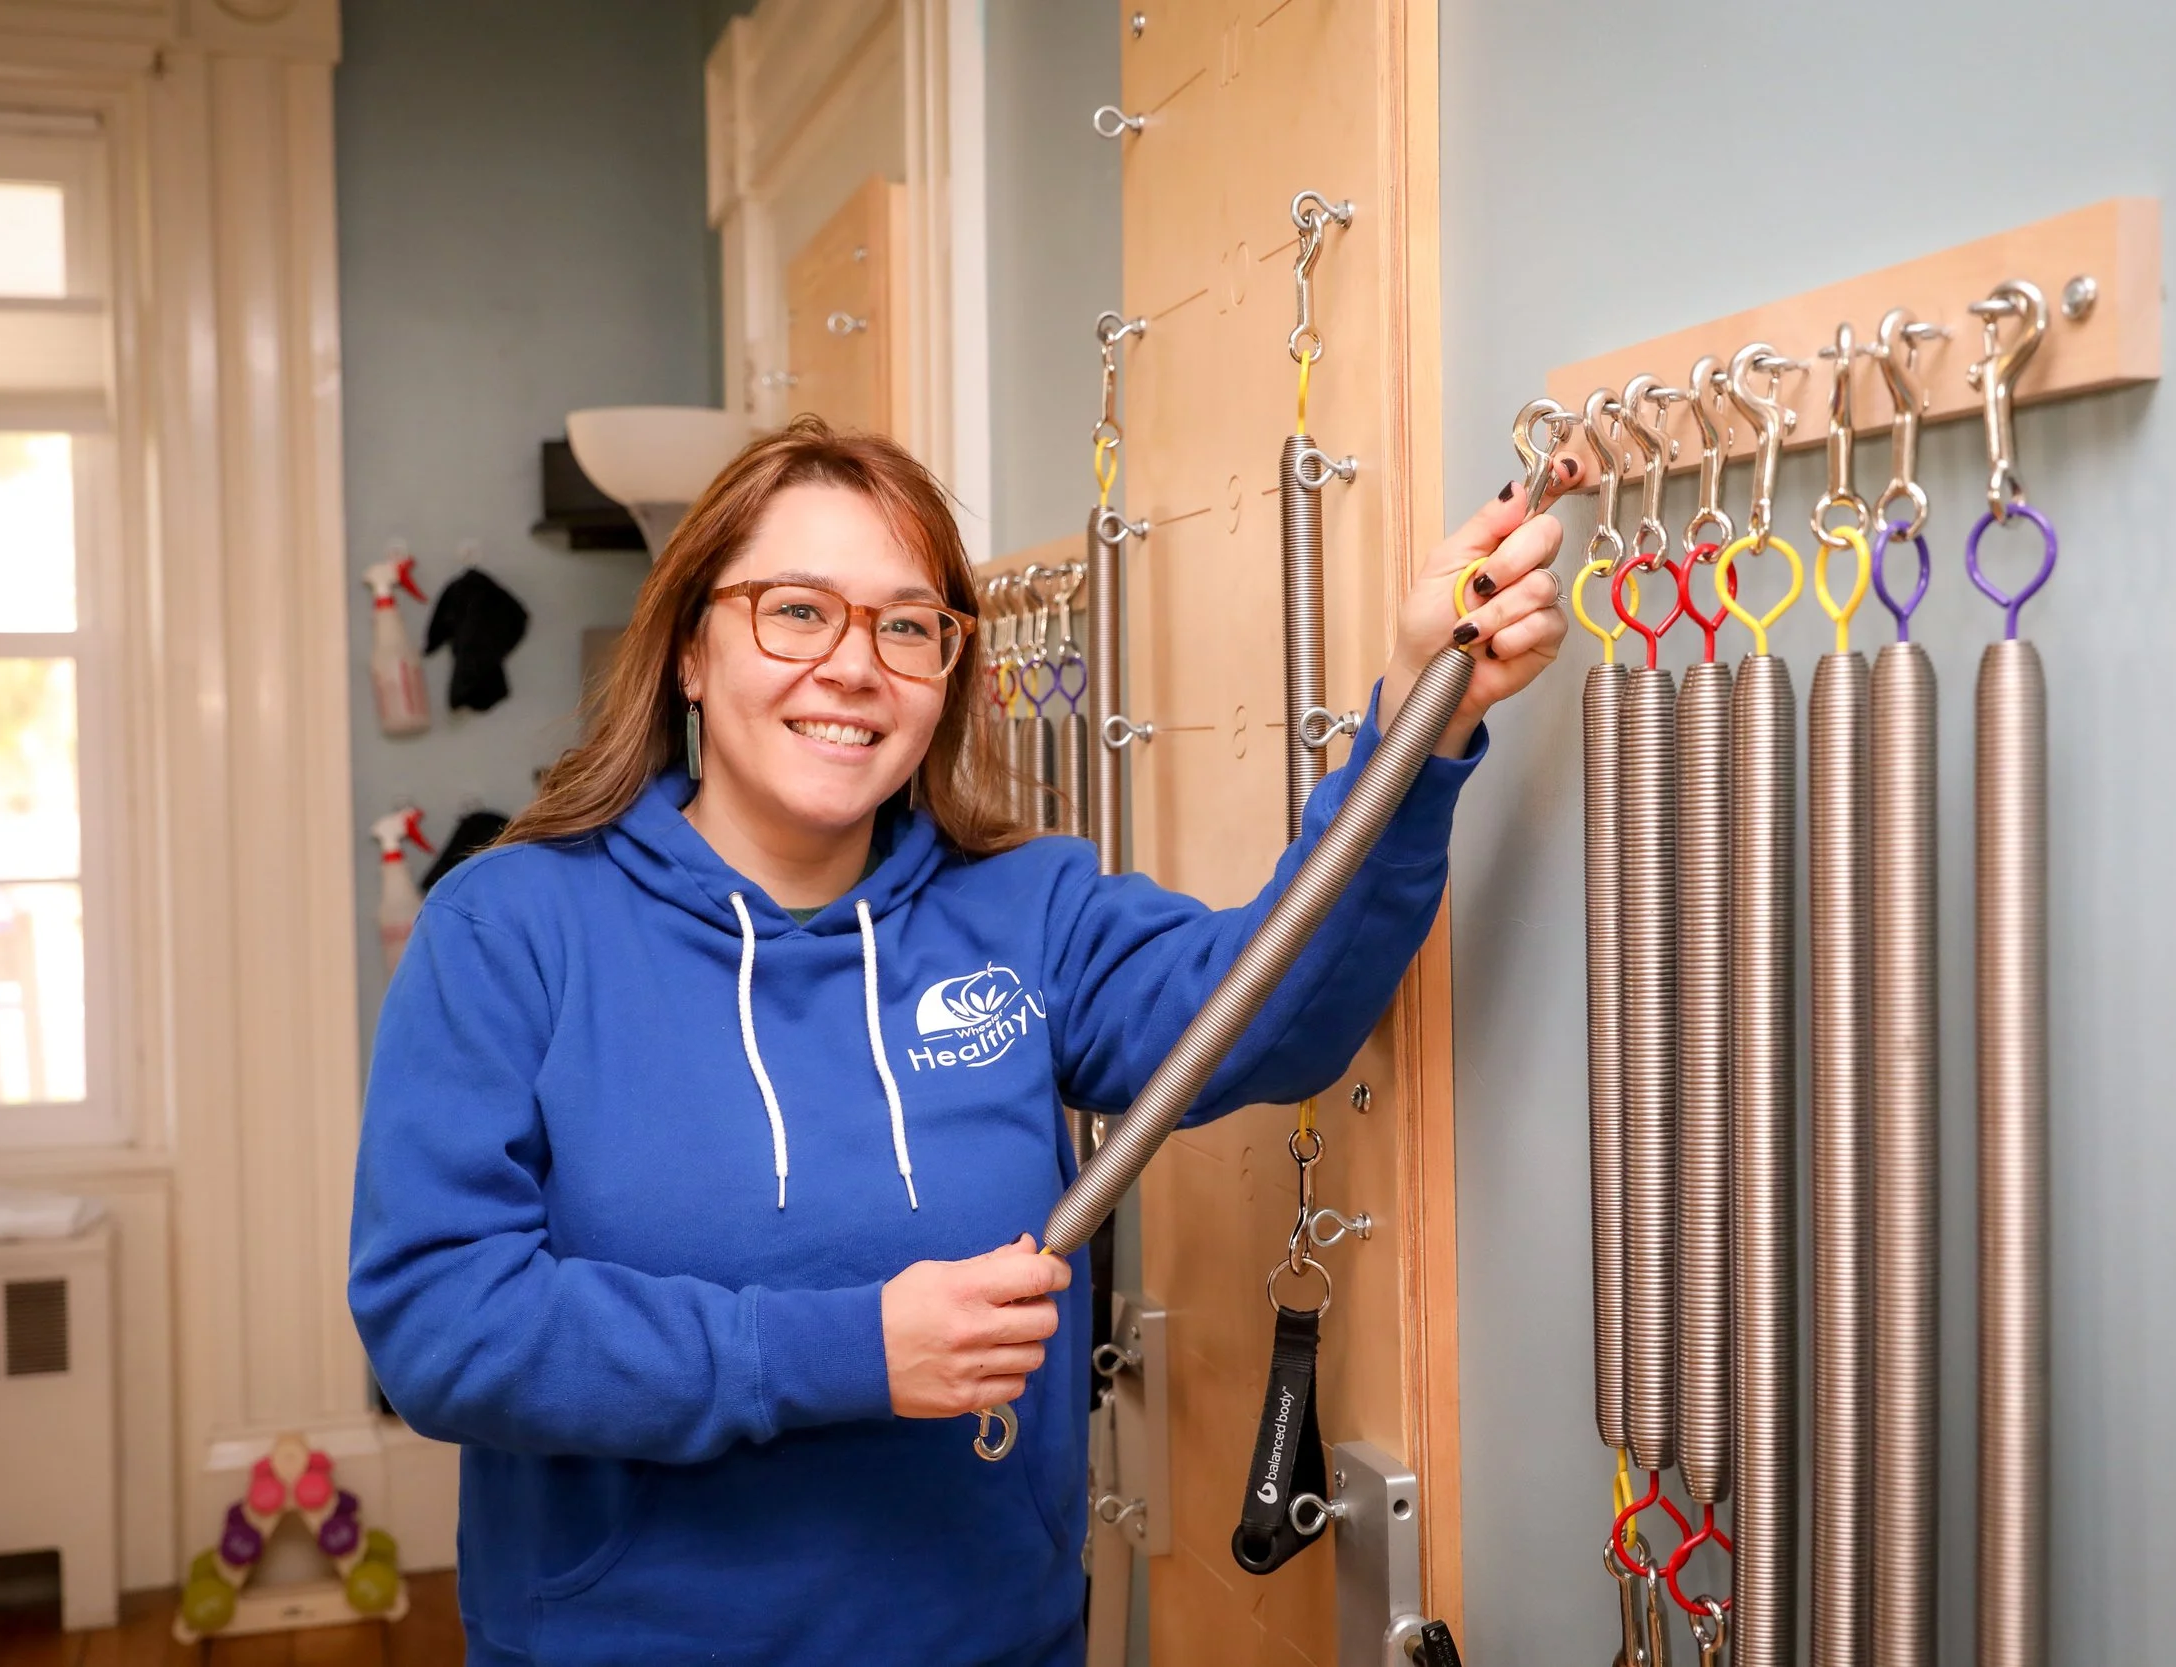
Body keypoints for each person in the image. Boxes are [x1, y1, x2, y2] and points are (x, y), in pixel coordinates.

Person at [348, 417, 1566, 1665]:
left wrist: (1428, 705)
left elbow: (1276, 1011)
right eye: (796, 610)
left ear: (948, 670)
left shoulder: (1025, 910)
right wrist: (847, 1349)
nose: (853, 664)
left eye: (906, 623)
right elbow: (446, 1324)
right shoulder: (510, 928)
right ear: (690, 653)